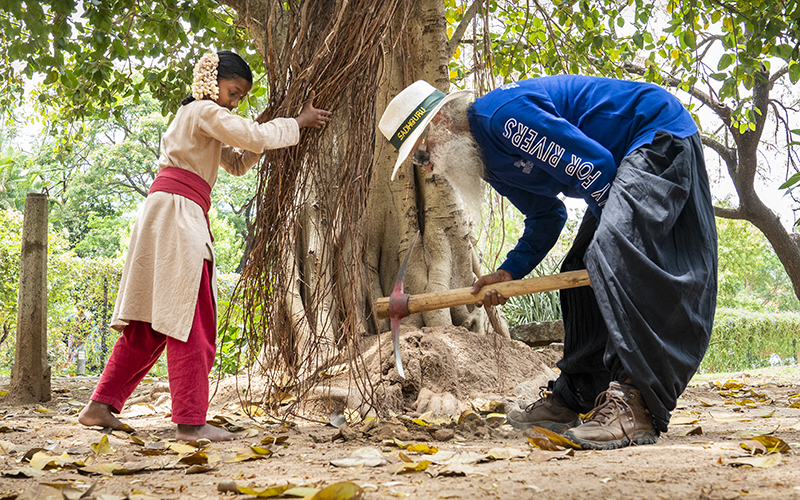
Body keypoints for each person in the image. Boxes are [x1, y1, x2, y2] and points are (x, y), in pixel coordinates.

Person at [378, 77, 717, 450]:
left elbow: (596, 165)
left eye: (421, 155)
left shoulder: (502, 119)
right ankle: (578, 396)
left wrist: (619, 248)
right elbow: (547, 216)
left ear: (440, 123)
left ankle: (634, 403)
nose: (425, 169)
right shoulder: (489, 160)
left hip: (656, 133)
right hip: (619, 165)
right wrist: (509, 271)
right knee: (585, 261)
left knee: (611, 251)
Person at [78, 50, 331, 441]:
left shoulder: (197, 118)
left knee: (150, 320)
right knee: (193, 316)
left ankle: (100, 406)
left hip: (165, 213)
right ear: (212, 83)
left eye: (240, 98)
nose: (234, 102)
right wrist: (298, 121)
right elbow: (254, 136)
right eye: (233, 92)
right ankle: (192, 422)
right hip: (179, 216)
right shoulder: (202, 110)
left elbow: (236, 161)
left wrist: (258, 132)